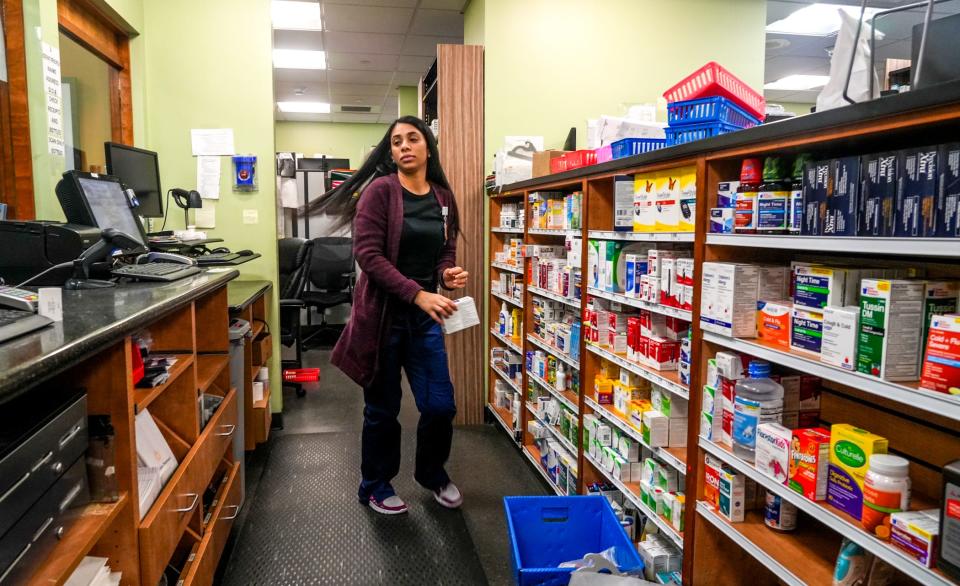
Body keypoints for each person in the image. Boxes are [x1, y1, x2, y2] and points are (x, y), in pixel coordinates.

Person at [309, 116, 469, 515]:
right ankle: (375, 484)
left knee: (440, 406)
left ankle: (432, 473)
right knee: (383, 410)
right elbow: (369, 256)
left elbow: (444, 250)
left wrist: (446, 274)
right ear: (391, 152)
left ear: (428, 147)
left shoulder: (443, 198)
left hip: (423, 319)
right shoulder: (380, 192)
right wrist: (417, 294)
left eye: (412, 139)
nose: (404, 147)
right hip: (381, 320)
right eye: (396, 142)